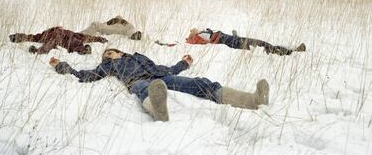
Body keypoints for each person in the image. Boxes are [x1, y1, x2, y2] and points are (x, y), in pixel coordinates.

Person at [49, 48, 270, 122]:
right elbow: (84, 75)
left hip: (160, 76)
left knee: (198, 83)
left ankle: (252, 100)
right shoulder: (108, 67)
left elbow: (166, 69)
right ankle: (157, 109)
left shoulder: (138, 56)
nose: (108, 55)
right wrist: (62, 65)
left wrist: (184, 63)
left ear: (120, 51)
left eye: (110, 52)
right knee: (145, 90)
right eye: (106, 55)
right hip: (140, 82)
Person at [186, 28, 306, 56]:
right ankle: (290, 51)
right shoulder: (199, 36)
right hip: (235, 42)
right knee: (263, 45)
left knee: (263, 44)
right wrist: (191, 37)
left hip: (235, 40)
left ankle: (290, 50)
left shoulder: (203, 35)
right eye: (194, 31)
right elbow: (193, 40)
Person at [9, 26, 107, 55]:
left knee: (75, 41)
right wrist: (99, 39)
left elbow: (87, 37)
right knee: (75, 42)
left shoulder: (74, 35)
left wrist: (99, 39)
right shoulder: (49, 34)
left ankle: (84, 50)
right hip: (58, 35)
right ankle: (16, 37)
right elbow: (87, 38)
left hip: (66, 36)